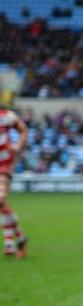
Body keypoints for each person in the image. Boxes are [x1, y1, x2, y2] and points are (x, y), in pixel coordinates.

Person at [0, 106, 28, 258]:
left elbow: (23, 129)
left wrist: (18, 146)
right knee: (2, 205)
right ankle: (19, 236)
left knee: (1, 198)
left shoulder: (6, 116)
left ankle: (9, 240)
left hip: (4, 164)